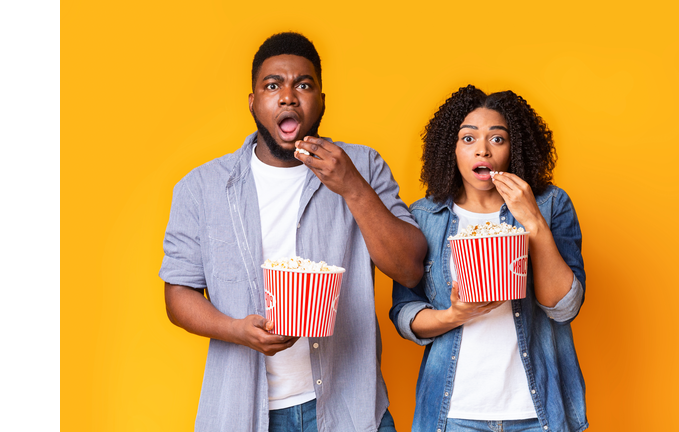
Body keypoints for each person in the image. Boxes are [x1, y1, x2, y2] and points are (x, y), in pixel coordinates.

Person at [160, 32, 427, 432]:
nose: (288, 96)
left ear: (321, 100)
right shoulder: (201, 188)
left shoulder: (363, 166)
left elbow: (409, 269)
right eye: (272, 85)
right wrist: (236, 330)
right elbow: (178, 293)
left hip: (350, 410)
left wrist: (352, 187)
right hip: (243, 413)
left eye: (303, 84)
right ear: (253, 102)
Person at [390, 85, 588, 432]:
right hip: (453, 413)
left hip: (537, 412)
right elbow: (405, 312)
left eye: (497, 139)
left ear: (515, 149)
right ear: (450, 149)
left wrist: (533, 222)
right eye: (468, 139)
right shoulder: (423, 216)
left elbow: (563, 307)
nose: (482, 149)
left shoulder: (550, 205)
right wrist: (453, 315)